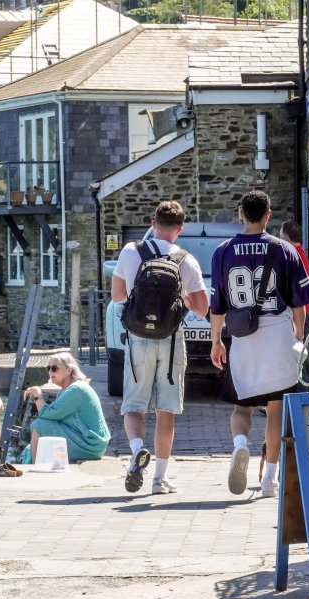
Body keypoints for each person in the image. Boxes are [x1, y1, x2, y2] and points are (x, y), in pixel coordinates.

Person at [209, 190, 309, 499]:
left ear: (241, 213)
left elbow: (218, 304)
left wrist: (217, 340)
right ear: (268, 214)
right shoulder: (284, 250)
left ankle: (240, 445)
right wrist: (299, 335)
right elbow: (299, 304)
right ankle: (270, 480)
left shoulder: (223, 252)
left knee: (242, 407)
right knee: (276, 411)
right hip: (277, 335)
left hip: (243, 338)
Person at [111, 200, 209, 494]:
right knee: (166, 410)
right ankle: (159, 480)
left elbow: (117, 295)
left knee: (133, 406)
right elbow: (203, 309)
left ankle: (138, 450)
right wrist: (185, 299)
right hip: (170, 339)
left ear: (153, 224)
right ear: (179, 229)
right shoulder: (185, 259)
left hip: (138, 337)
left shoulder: (131, 251)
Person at [22, 352, 110, 462]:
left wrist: (37, 394)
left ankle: (35, 467)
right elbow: (53, 416)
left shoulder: (75, 390)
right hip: (88, 441)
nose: (50, 372)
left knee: (38, 425)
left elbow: (46, 414)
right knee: (41, 429)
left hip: (90, 445)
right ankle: (38, 463)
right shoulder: (68, 389)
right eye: (48, 368)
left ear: (69, 370)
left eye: (54, 368)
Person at [279, 220, 309, 314]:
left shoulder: (293, 256)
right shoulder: (300, 254)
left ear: (286, 237)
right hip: (303, 309)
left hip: (298, 313)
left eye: (280, 236)